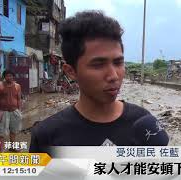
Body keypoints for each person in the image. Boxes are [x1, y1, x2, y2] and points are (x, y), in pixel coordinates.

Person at [29, 11, 169, 153]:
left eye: (118, 62)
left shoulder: (143, 123)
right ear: (71, 71)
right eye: (98, 65)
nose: (114, 76)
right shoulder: (47, 136)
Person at [0, 70, 22, 152]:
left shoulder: (17, 86)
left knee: (13, 130)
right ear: (4, 77)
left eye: (10, 75)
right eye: (7, 76)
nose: (9, 77)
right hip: (3, 111)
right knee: (1, 132)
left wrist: (19, 111)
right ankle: (1, 149)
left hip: (14, 111)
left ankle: (12, 147)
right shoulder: (0, 85)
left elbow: (19, 99)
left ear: (13, 77)